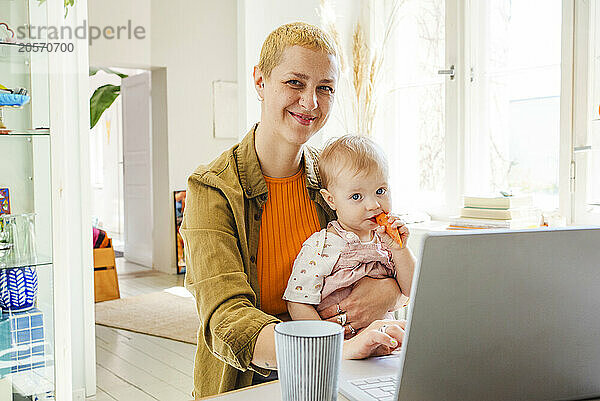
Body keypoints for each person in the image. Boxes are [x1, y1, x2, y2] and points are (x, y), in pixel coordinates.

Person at [180, 22, 408, 399]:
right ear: (259, 80)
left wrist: (386, 292)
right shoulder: (212, 189)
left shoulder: (337, 180)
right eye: (295, 83)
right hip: (251, 382)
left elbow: (390, 256)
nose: (311, 103)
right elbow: (227, 321)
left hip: (342, 375)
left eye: (325, 88)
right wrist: (332, 347)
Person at [283, 135, 415, 338]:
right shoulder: (322, 245)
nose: (373, 205)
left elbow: (412, 288)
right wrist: (326, 342)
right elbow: (297, 302)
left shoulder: (388, 241)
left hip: (383, 338)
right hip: (340, 346)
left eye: (380, 191)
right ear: (331, 200)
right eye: (356, 196)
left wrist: (400, 249)